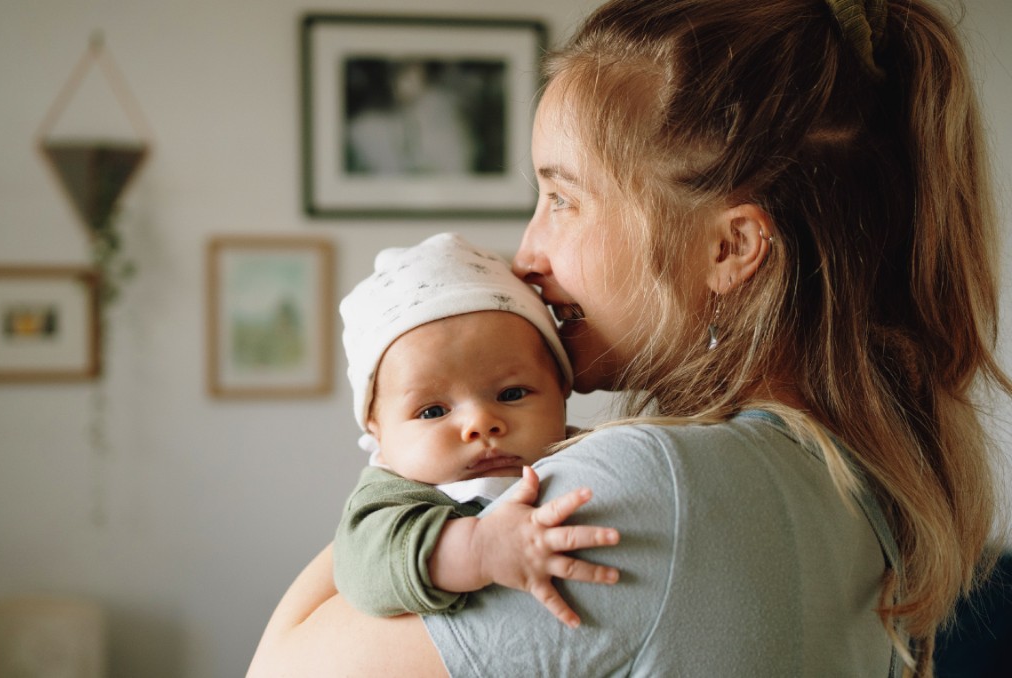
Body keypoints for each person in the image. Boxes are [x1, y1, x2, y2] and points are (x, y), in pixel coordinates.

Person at [248, 0, 1008, 675]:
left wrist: (400, 458)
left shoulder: (656, 484)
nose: (526, 255)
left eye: (561, 198)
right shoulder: (855, 480)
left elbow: (281, 665)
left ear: (728, 249)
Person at [333, 232, 620, 628]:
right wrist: (480, 550)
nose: (480, 423)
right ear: (376, 429)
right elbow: (360, 570)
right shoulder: (393, 496)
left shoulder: (591, 455)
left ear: (561, 388)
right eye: (433, 410)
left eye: (512, 392)